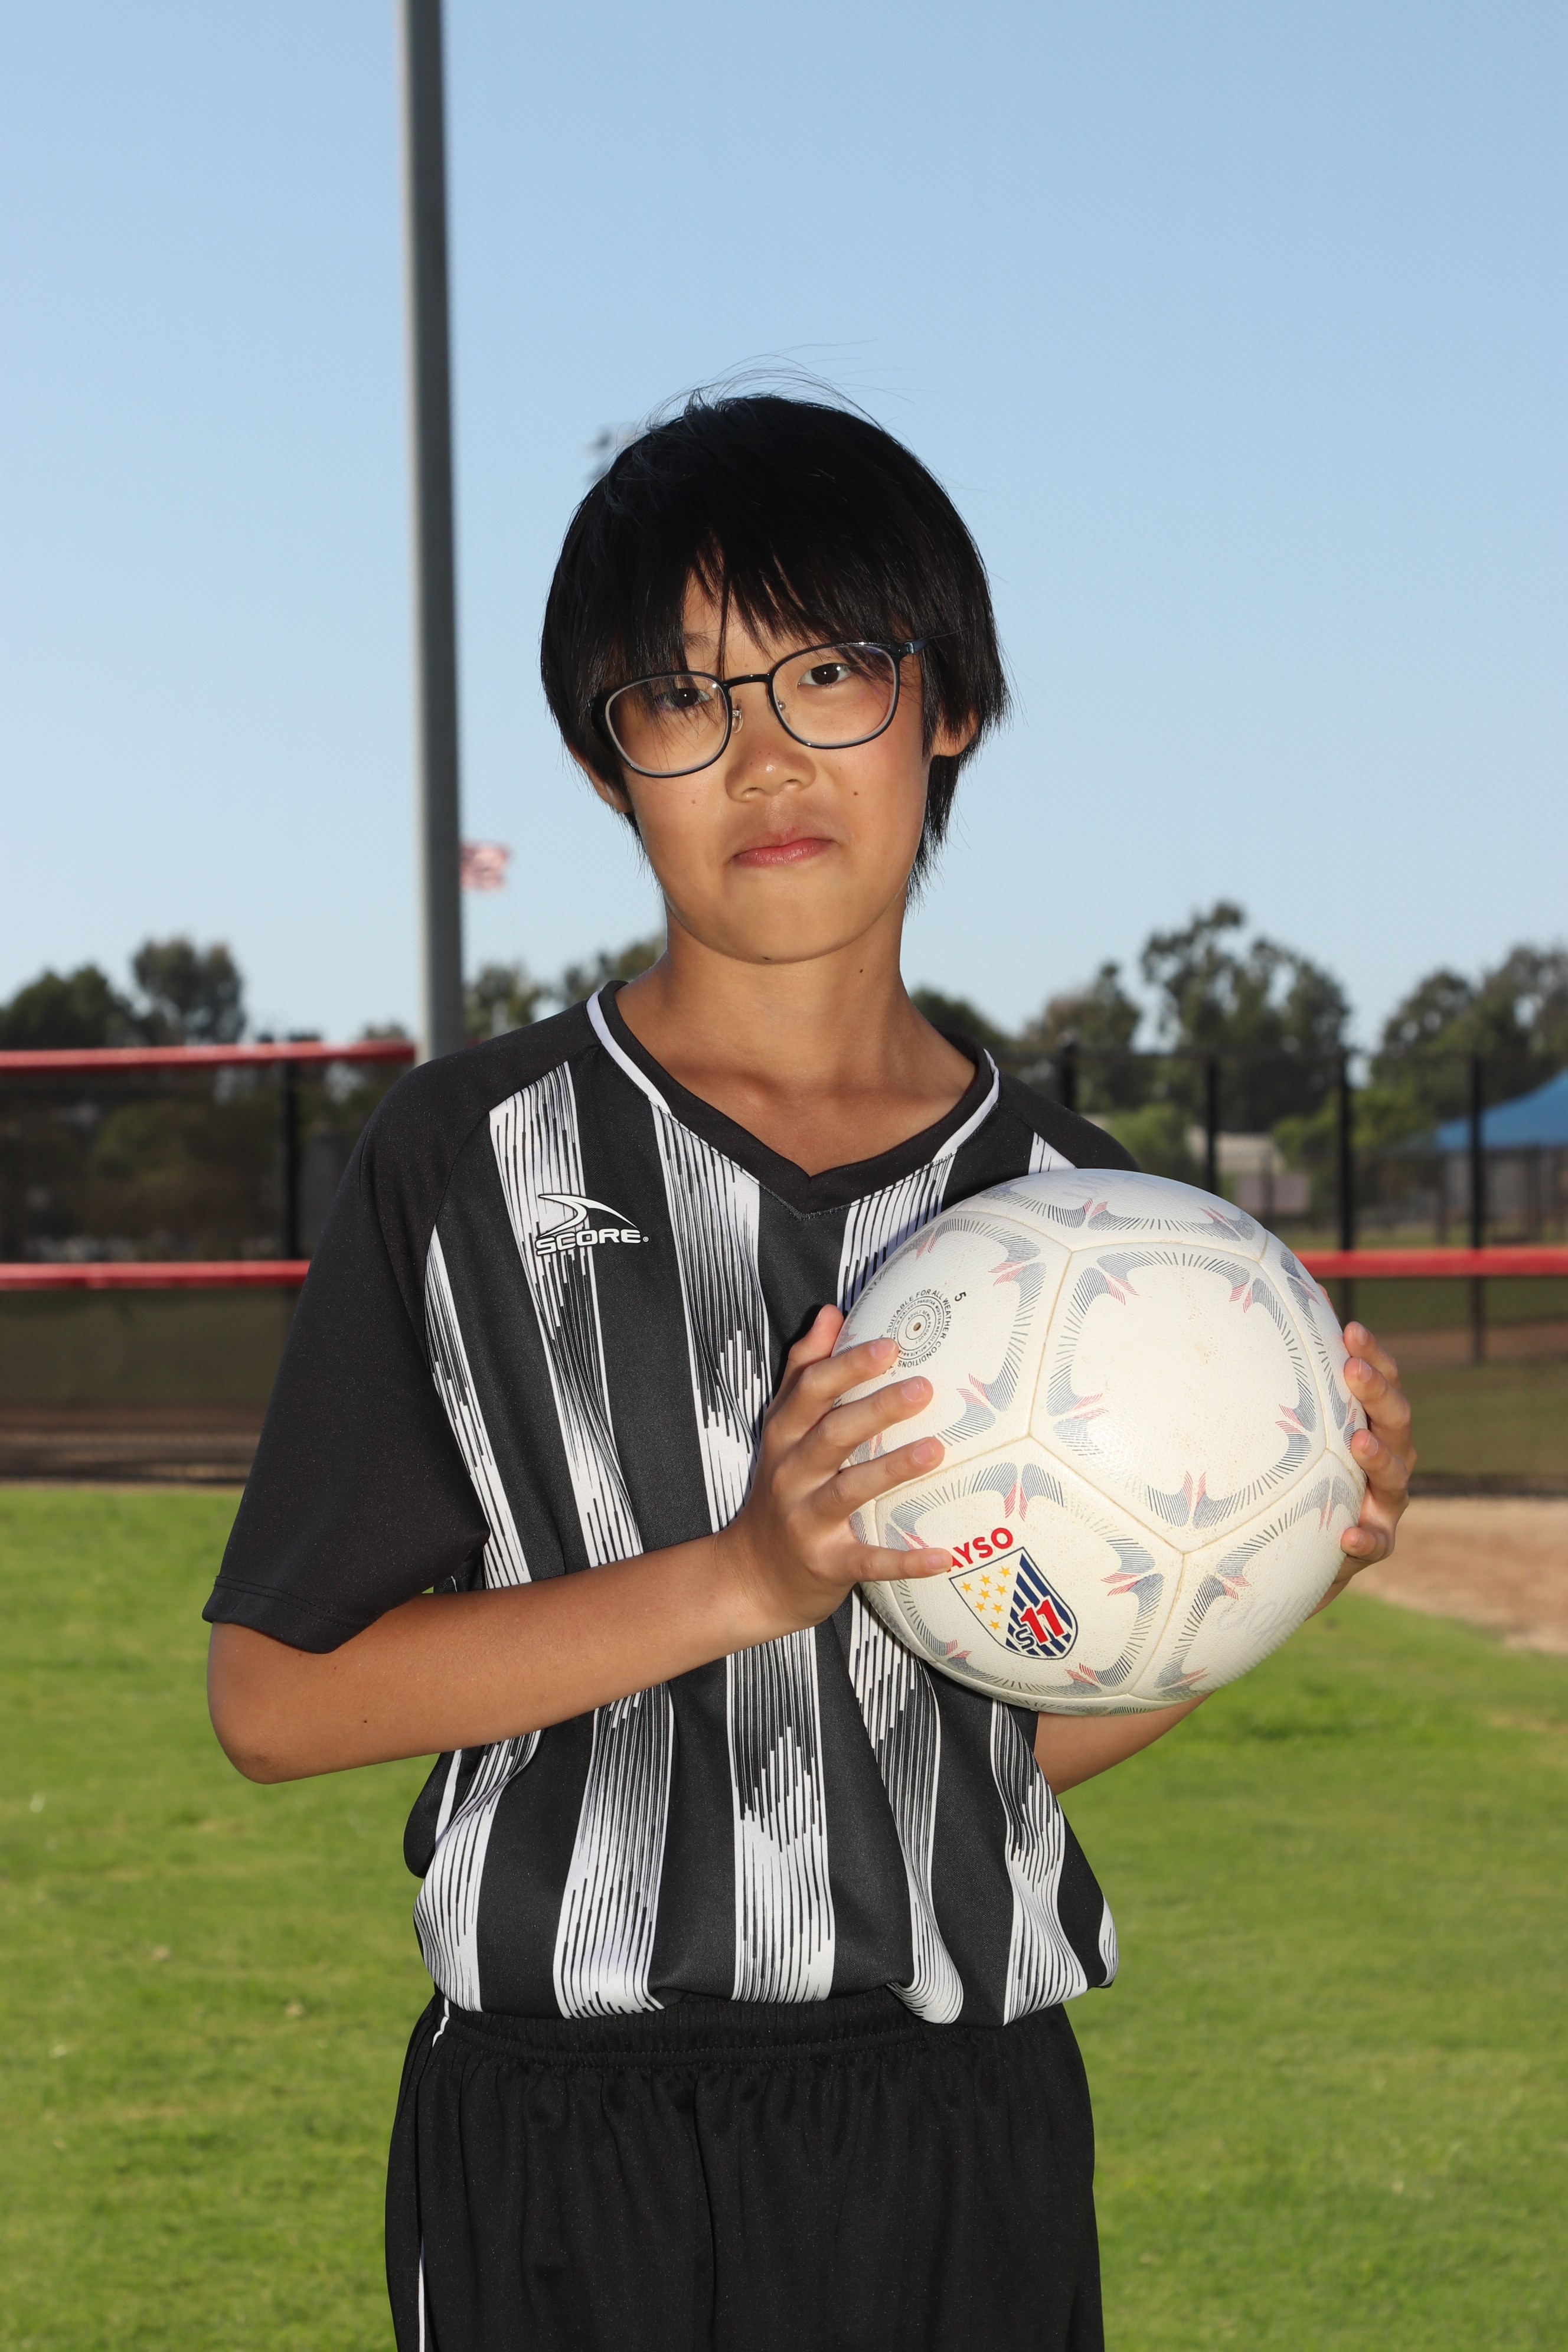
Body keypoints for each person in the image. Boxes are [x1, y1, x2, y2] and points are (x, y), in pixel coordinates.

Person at [204, 394, 1414, 2352]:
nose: (765, 755)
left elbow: (988, 1741)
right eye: (683, 699)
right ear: (605, 765)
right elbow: (275, 1702)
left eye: (831, 671)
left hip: (956, 2131)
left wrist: (1269, 1556)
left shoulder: (1091, 1223)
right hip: (567, 2142)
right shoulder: (467, 1160)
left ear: (952, 706)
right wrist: (741, 1581)